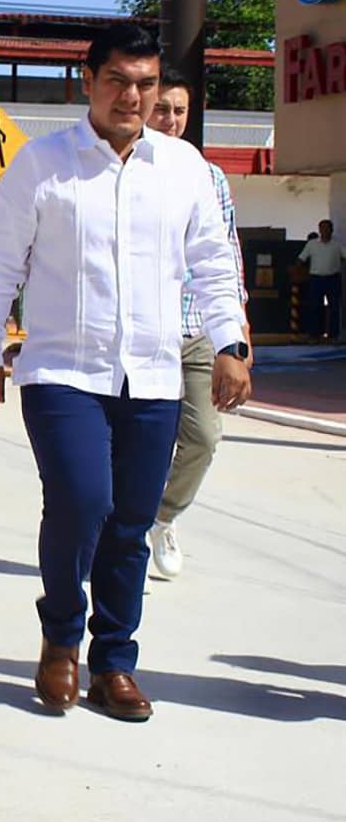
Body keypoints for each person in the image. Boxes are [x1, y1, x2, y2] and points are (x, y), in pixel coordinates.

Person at [0, 24, 250, 723]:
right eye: (119, 80)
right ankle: (61, 637)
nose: (133, 96)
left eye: (147, 83)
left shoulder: (183, 168)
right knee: (82, 501)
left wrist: (232, 342)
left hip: (152, 375)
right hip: (62, 369)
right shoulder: (41, 165)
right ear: (86, 81)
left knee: (130, 522)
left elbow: (213, 264)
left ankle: (114, 662)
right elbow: (1, 262)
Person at [146, 70, 251, 581]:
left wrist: (238, 335)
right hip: (142, 333)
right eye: (162, 108)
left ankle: (161, 518)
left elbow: (229, 255)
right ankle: (118, 528)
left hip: (197, 331)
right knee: (135, 442)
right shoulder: (124, 169)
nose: (170, 120)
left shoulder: (210, 177)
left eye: (179, 111)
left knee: (205, 437)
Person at [297, 219, 344, 341]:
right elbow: (301, 259)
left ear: (331, 230)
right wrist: (297, 270)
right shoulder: (312, 244)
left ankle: (333, 335)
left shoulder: (337, 245)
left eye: (327, 228)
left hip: (333, 278)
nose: (324, 231)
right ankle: (314, 335)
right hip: (316, 279)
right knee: (314, 307)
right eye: (322, 228)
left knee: (334, 308)